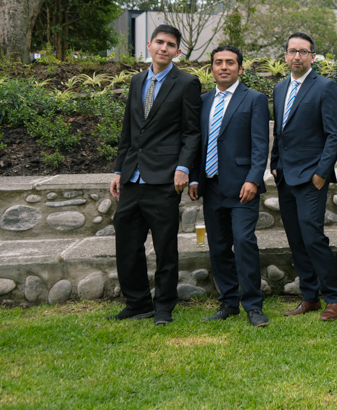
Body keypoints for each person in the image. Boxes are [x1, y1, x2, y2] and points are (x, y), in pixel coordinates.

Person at [108, 24, 201, 325]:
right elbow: (129, 129)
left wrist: (183, 168)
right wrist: (119, 170)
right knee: (127, 244)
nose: (164, 48)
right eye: (159, 42)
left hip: (164, 178)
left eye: (170, 45)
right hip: (132, 177)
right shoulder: (137, 81)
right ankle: (137, 303)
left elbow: (192, 132)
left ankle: (163, 306)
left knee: (165, 247)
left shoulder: (186, 83)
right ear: (149, 45)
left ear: (178, 51)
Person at [188, 45, 271, 327]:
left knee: (244, 242)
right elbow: (198, 143)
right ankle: (228, 303)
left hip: (242, 186)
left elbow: (260, 144)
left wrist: (253, 178)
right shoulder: (203, 101)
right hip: (211, 186)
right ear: (211, 68)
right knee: (218, 246)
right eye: (218, 62)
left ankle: (253, 306)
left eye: (230, 62)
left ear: (240, 68)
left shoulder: (254, 99)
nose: (224, 67)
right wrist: (195, 178)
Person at [271, 32, 337, 321]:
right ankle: (310, 297)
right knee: (296, 238)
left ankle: (334, 298)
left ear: (313, 57)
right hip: (285, 176)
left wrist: (321, 174)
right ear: (285, 55)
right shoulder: (280, 88)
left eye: (303, 51)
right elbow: (280, 132)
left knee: (313, 237)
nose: (297, 56)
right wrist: (274, 164)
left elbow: (334, 134)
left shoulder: (325, 87)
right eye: (292, 51)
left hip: (311, 177)